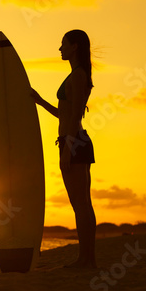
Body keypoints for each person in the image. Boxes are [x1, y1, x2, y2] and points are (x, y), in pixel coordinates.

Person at [31, 29, 97, 268]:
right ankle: (86, 258)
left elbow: (76, 115)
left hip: (74, 142)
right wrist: (40, 102)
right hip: (74, 141)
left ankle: (87, 259)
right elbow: (64, 114)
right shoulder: (76, 75)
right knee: (81, 204)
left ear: (75, 47)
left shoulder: (78, 76)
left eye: (63, 44)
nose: (60, 49)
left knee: (81, 205)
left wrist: (68, 148)